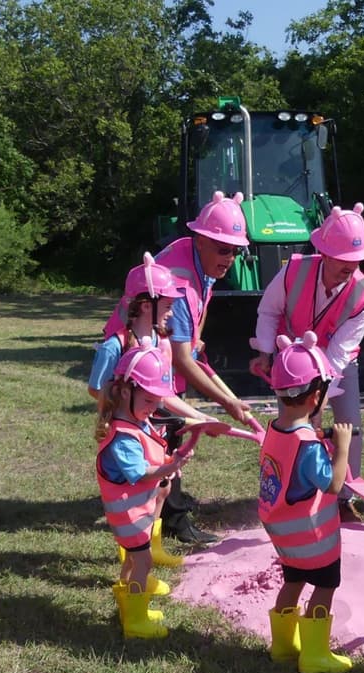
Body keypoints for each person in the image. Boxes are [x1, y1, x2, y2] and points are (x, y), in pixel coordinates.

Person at [251, 203, 364, 521]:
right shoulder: (294, 270)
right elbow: (269, 311)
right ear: (324, 253)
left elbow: (339, 353)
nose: (351, 266)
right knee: (293, 428)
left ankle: (343, 497)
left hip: (338, 364)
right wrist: (266, 352)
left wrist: (318, 398)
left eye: (357, 259)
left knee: (349, 427)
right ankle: (292, 491)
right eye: (343, 259)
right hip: (292, 360)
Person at [89, 252, 217, 564]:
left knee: (161, 485)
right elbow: (96, 388)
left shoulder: (160, 342)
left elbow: (165, 393)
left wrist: (197, 416)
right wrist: (123, 410)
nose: (172, 314)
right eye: (169, 306)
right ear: (147, 304)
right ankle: (133, 556)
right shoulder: (115, 345)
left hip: (153, 429)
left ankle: (153, 549)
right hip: (128, 431)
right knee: (136, 492)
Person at [154, 190, 256, 543]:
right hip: (143, 365)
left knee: (171, 432)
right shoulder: (178, 281)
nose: (230, 257)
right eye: (223, 248)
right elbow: (182, 363)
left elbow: (206, 295)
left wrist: (194, 335)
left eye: (235, 250)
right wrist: (228, 404)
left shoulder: (203, 263)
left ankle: (170, 501)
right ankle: (173, 521)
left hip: (164, 356)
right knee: (165, 435)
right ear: (200, 240)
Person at [258, 331, 354, 673]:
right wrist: (341, 446)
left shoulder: (274, 429)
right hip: (312, 538)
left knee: (293, 582)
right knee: (324, 586)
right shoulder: (308, 446)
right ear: (316, 396)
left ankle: (282, 646)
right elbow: (333, 485)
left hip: (283, 534)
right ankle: (315, 655)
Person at [94, 338, 194, 640]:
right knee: (143, 561)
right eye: (149, 401)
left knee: (136, 560)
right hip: (128, 517)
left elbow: (151, 453)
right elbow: (140, 473)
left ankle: (128, 601)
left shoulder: (138, 421)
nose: (154, 408)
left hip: (135, 515)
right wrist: (170, 467)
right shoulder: (123, 435)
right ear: (126, 392)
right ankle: (136, 620)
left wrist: (170, 459)